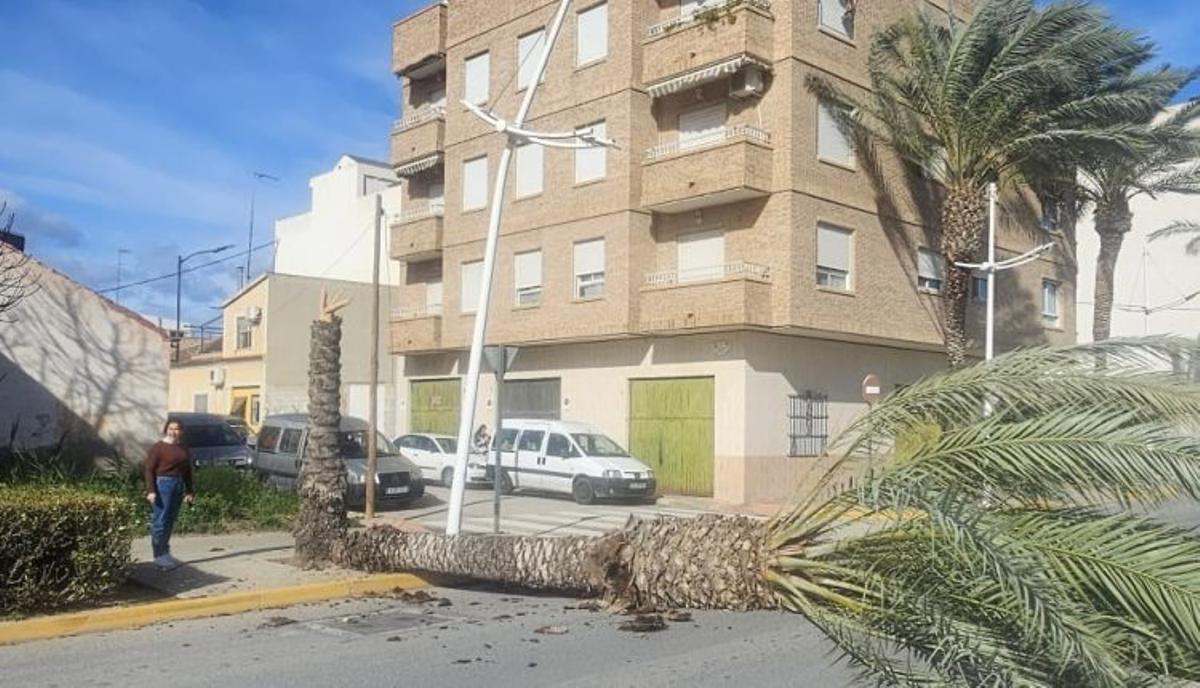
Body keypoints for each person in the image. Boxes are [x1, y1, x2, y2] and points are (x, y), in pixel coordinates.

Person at [144, 418, 195, 571]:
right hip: (163, 485)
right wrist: (151, 490)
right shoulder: (158, 448)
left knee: (170, 520)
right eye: (171, 428)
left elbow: (187, 471)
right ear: (166, 429)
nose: (173, 432)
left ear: (181, 431)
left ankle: (165, 552)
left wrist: (189, 491)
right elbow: (148, 470)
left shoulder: (183, 448)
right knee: (160, 520)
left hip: (178, 484)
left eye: (177, 429)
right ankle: (158, 555)